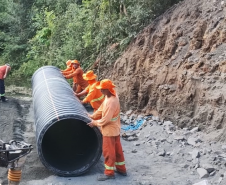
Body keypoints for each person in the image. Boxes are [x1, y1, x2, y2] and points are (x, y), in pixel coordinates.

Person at [87, 79, 127, 181]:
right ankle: (122, 169)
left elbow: (106, 119)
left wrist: (95, 123)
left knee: (108, 152)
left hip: (109, 131)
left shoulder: (111, 102)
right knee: (118, 151)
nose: (101, 91)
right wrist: (93, 116)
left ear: (108, 89)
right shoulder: (110, 96)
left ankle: (109, 173)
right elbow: (101, 108)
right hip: (115, 129)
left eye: (103, 90)